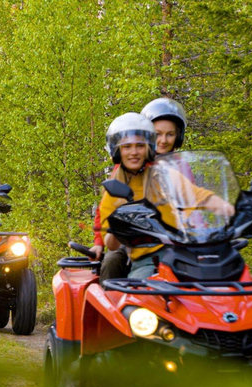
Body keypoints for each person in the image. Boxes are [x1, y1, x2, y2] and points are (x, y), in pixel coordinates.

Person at [98, 112, 234, 279]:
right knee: (138, 290)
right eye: (127, 147)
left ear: (149, 147)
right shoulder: (114, 191)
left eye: (140, 146)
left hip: (184, 255)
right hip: (148, 261)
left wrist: (232, 210)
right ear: (117, 150)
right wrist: (119, 227)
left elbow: (200, 196)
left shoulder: (165, 175)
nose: (134, 152)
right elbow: (111, 244)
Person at [90, 98, 190, 280]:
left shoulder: (181, 166)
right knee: (112, 261)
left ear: (178, 136)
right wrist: (99, 242)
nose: (163, 140)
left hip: (171, 238)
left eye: (170, 134)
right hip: (131, 238)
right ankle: (113, 304)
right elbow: (105, 209)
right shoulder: (129, 166)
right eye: (157, 134)